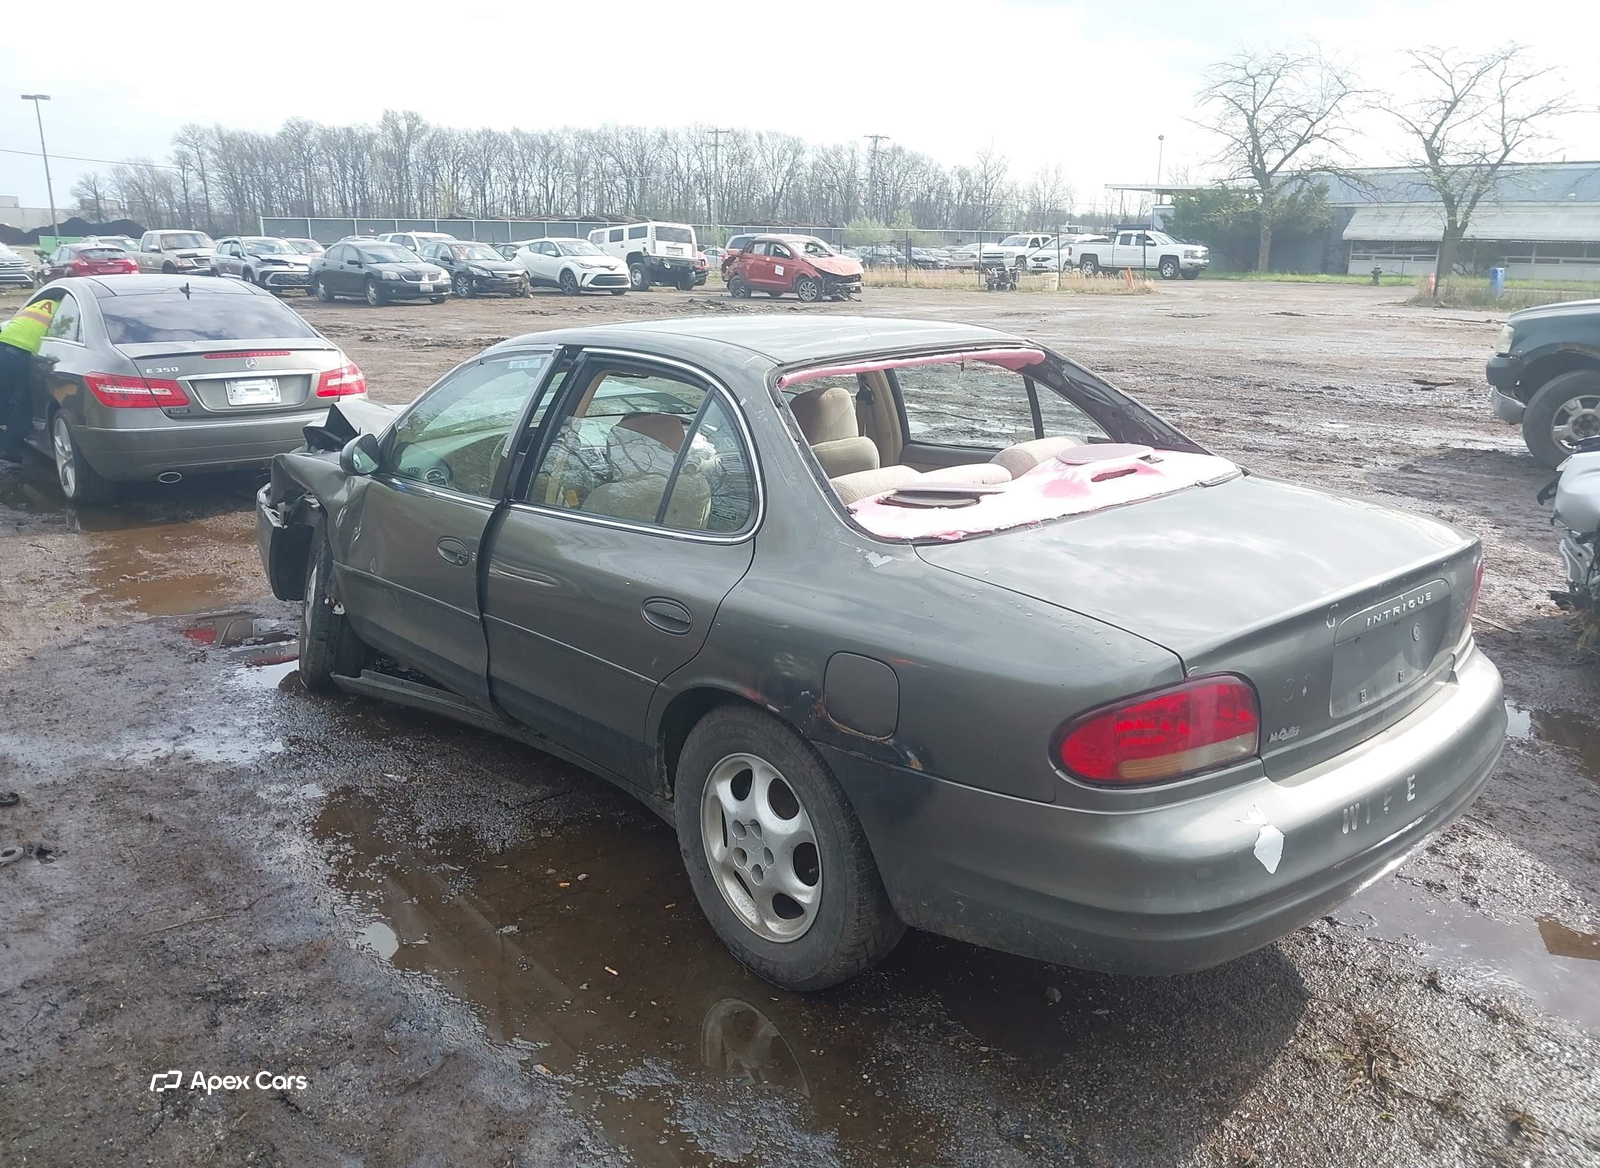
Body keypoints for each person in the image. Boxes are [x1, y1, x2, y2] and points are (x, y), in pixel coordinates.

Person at [0, 295, 54, 462]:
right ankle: (7, 448)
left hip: (3, 346)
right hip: (23, 355)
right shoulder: (65, 308)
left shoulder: (40, 303)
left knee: (3, 395)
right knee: (26, 402)